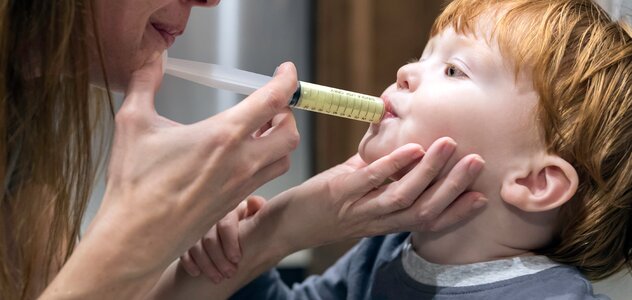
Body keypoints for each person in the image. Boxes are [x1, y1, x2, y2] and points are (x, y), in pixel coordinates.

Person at [0, 0, 487, 299]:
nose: (211, 0)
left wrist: (281, 227)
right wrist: (139, 228)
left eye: (454, 70)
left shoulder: (25, 160)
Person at [159, 0, 632, 299]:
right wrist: (246, 250)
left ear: (534, 182)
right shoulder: (385, 251)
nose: (406, 71)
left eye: (454, 70)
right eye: (423, 55)